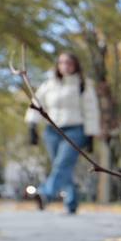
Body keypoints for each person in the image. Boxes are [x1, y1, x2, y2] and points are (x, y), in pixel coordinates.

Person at [25, 52, 101, 214]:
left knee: (62, 164)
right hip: (51, 131)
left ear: (75, 65)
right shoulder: (49, 84)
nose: (65, 66)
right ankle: (72, 202)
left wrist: (91, 134)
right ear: (58, 65)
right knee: (61, 167)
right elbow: (36, 103)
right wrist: (32, 125)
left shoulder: (83, 84)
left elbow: (91, 110)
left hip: (75, 129)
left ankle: (45, 194)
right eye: (62, 63)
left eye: (69, 63)